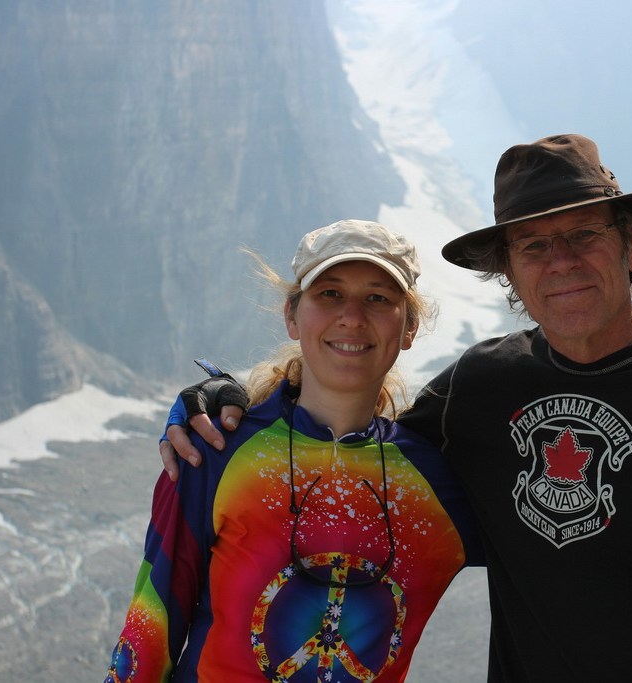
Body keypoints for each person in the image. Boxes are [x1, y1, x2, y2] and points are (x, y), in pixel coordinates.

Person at [162, 135, 632, 680]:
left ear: (631, 242)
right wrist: (227, 402)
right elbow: (351, 439)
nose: (561, 261)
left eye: (584, 234)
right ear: (509, 270)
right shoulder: (481, 386)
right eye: (533, 245)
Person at [107, 220, 481, 682]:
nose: (352, 316)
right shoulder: (215, 451)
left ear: (410, 328)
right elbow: (149, 630)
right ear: (291, 315)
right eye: (329, 293)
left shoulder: (441, 482)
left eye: (378, 298)